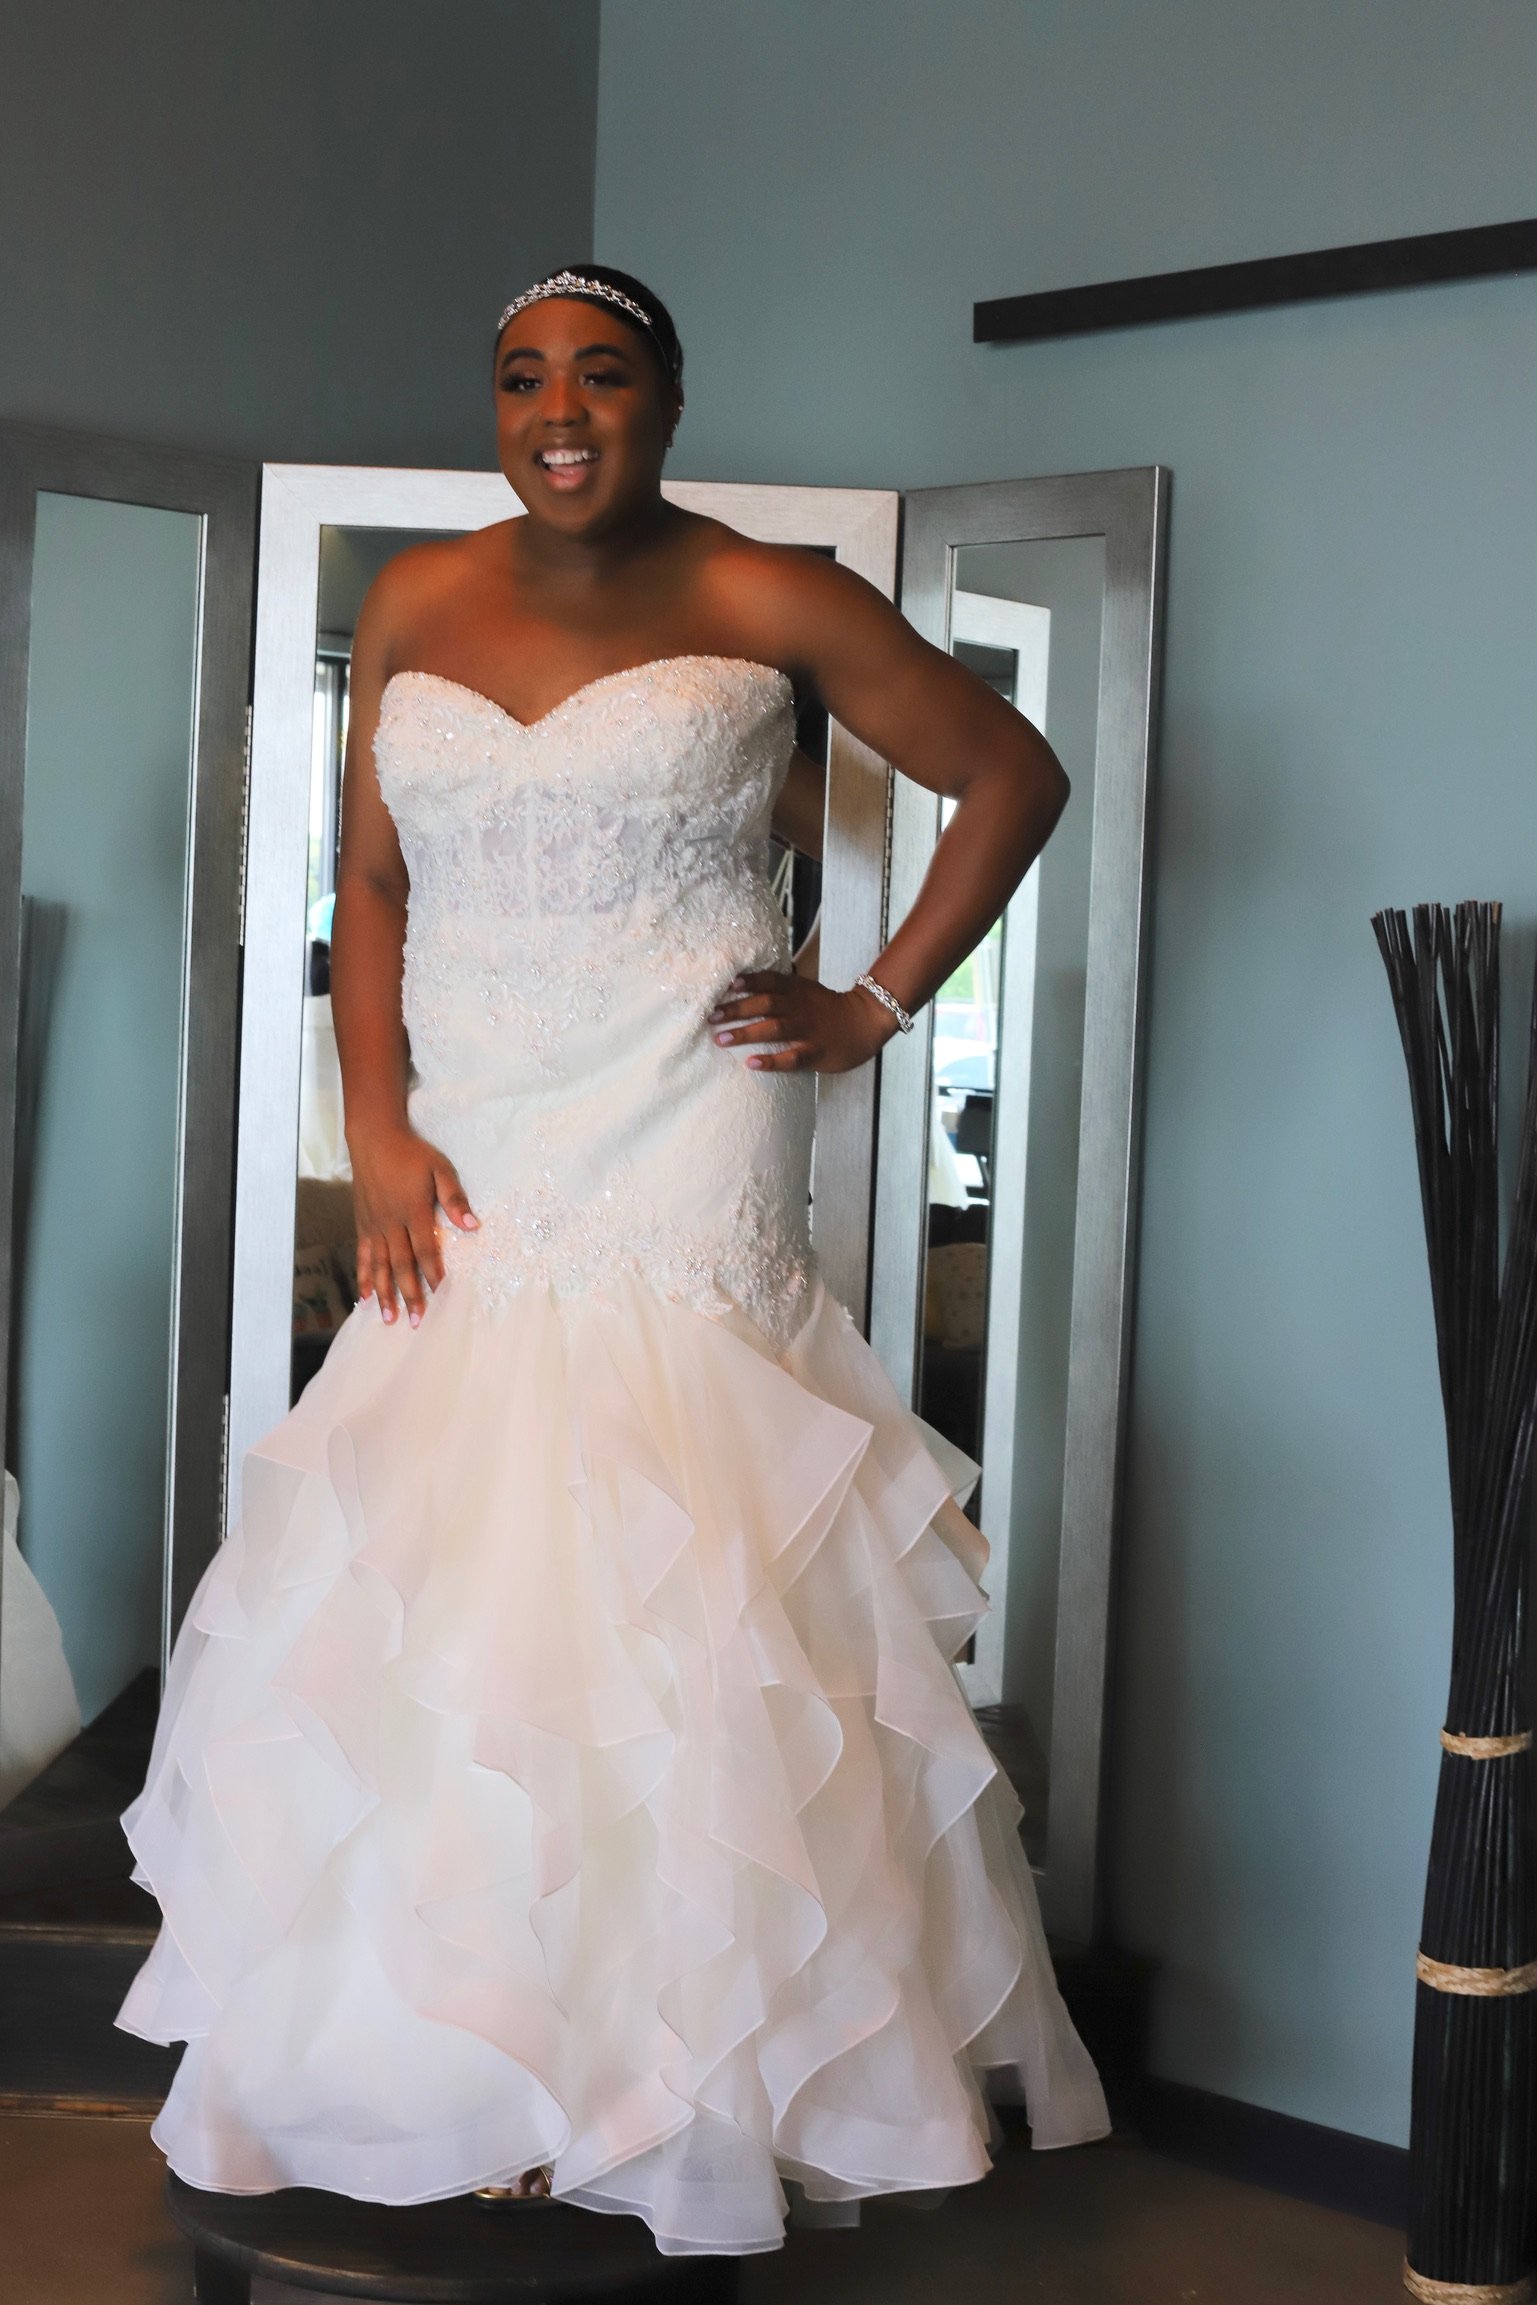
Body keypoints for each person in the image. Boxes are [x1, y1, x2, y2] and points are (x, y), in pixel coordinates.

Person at [118, 266, 1110, 2256]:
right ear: (492, 406)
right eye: (519, 379)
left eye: (599, 375)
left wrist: (877, 1003)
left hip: (685, 1120)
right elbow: (371, 883)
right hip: (475, 1137)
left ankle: (687, 2085)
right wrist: (377, 1119)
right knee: (454, 1565)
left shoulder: (768, 595)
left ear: (664, 397)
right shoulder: (412, 602)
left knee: (685, 1578)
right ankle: (458, 2067)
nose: (556, 410)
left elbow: (1013, 774)